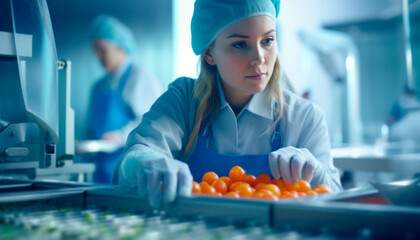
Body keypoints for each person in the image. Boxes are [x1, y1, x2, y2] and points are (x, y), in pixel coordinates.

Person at [113, 0, 342, 207]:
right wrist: (143, 163)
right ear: (209, 53)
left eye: (268, 40)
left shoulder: (305, 117)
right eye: (240, 44)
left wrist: (318, 172)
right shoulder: (184, 100)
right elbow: (133, 156)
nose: (260, 58)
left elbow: (336, 200)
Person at [87, 14, 162, 183]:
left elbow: (152, 124)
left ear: (120, 47)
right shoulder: (99, 85)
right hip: (99, 172)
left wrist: (119, 136)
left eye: (102, 49)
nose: (96, 56)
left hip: (129, 172)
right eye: (95, 49)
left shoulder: (139, 77)